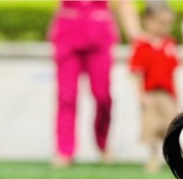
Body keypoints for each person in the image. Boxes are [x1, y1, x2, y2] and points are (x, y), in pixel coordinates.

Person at [49, 0, 137, 167]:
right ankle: (65, 150)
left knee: (102, 96)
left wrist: (135, 34)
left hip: (99, 34)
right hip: (68, 32)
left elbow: (124, 3)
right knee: (66, 96)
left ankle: (102, 142)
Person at [129, 2, 180, 173]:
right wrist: (141, 94)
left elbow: (173, 72)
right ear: (148, 21)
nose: (164, 27)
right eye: (160, 23)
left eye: (168, 23)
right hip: (150, 93)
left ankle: (171, 158)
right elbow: (138, 72)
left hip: (166, 93)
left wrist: (175, 94)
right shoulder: (142, 44)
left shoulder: (170, 44)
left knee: (168, 125)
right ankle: (153, 157)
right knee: (151, 125)